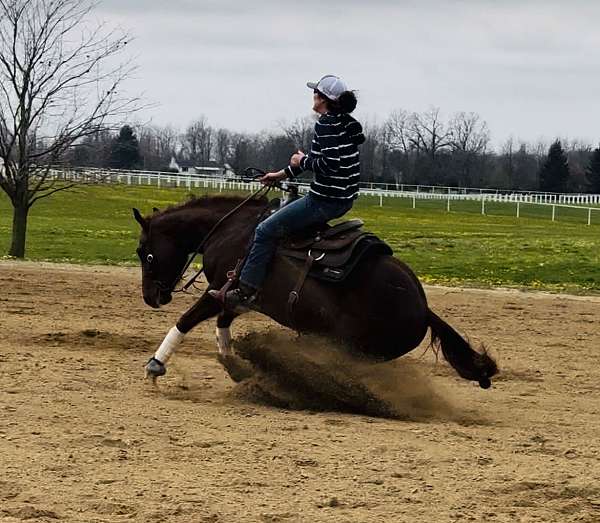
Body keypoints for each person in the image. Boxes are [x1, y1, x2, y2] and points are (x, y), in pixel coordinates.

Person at [214, 74, 365, 311]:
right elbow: (321, 161)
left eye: (316, 93)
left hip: (323, 201)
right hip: (342, 200)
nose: (313, 96)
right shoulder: (346, 123)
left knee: (264, 230)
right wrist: (279, 175)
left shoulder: (326, 124)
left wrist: (302, 160)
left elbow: (327, 165)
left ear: (323, 99)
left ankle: (246, 291)